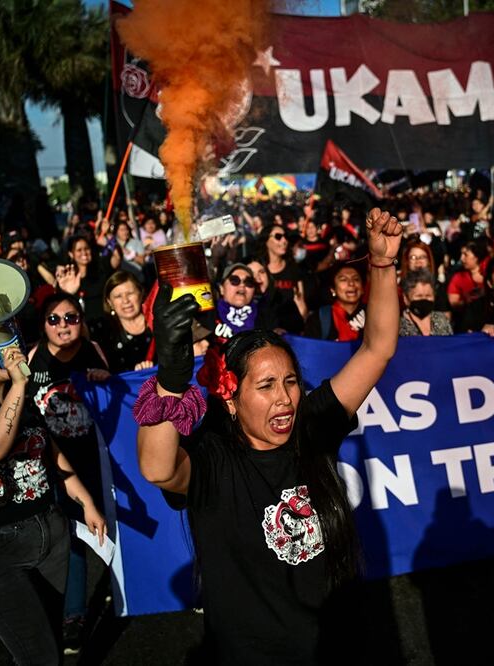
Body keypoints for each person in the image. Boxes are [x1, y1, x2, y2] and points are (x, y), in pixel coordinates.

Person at [136, 207, 402, 664]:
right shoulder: (214, 458)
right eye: (265, 386)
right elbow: (158, 467)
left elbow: (378, 348)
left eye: (291, 382)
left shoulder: (312, 426)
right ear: (232, 399)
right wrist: (173, 376)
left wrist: (381, 263)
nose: (284, 399)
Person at [0, 324, 106, 666]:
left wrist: (85, 501)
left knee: (51, 643)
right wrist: (21, 384)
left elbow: (50, 451)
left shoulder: (15, 396)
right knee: (39, 656)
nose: (7, 349)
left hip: (48, 536)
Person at [26, 293, 112, 652]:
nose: (63, 325)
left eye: (71, 317)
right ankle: (74, 614)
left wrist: (106, 379)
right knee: (71, 538)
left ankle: (122, 590)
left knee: (109, 526)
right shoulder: (33, 358)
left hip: (96, 459)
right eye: (54, 319)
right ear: (43, 324)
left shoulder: (93, 349)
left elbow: (117, 399)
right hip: (55, 465)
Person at [91, 271, 154, 373]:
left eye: (130, 293)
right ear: (109, 302)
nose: (125, 301)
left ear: (141, 293)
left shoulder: (159, 323)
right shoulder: (101, 330)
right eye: (118, 296)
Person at [56, 235, 120, 320]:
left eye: (86, 248)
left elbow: (117, 259)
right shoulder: (67, 277)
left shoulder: (101, 269)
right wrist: (68, 293)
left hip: (105, 321)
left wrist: (110, 242)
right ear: (71, 254)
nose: (84, 253)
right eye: (79, 250)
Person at [304, 264, 366, 341]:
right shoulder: (319, 319)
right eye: (343, 279)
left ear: (363, 288)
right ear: (333, 290)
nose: (351, 284)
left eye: (356, 279)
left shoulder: (374, 315)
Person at [447, 240, 488, 332]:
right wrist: (467, 300)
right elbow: (453, 303)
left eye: (466, 255)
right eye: (462, 254)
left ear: (476, 257)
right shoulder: (458, 277)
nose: (462, 258)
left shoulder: (489, 274)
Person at [399, 269, 453, 337]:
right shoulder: (398, 326)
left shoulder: (441, 320)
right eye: (419, 296)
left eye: (428, 296)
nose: (424, 299)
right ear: (406, 298)